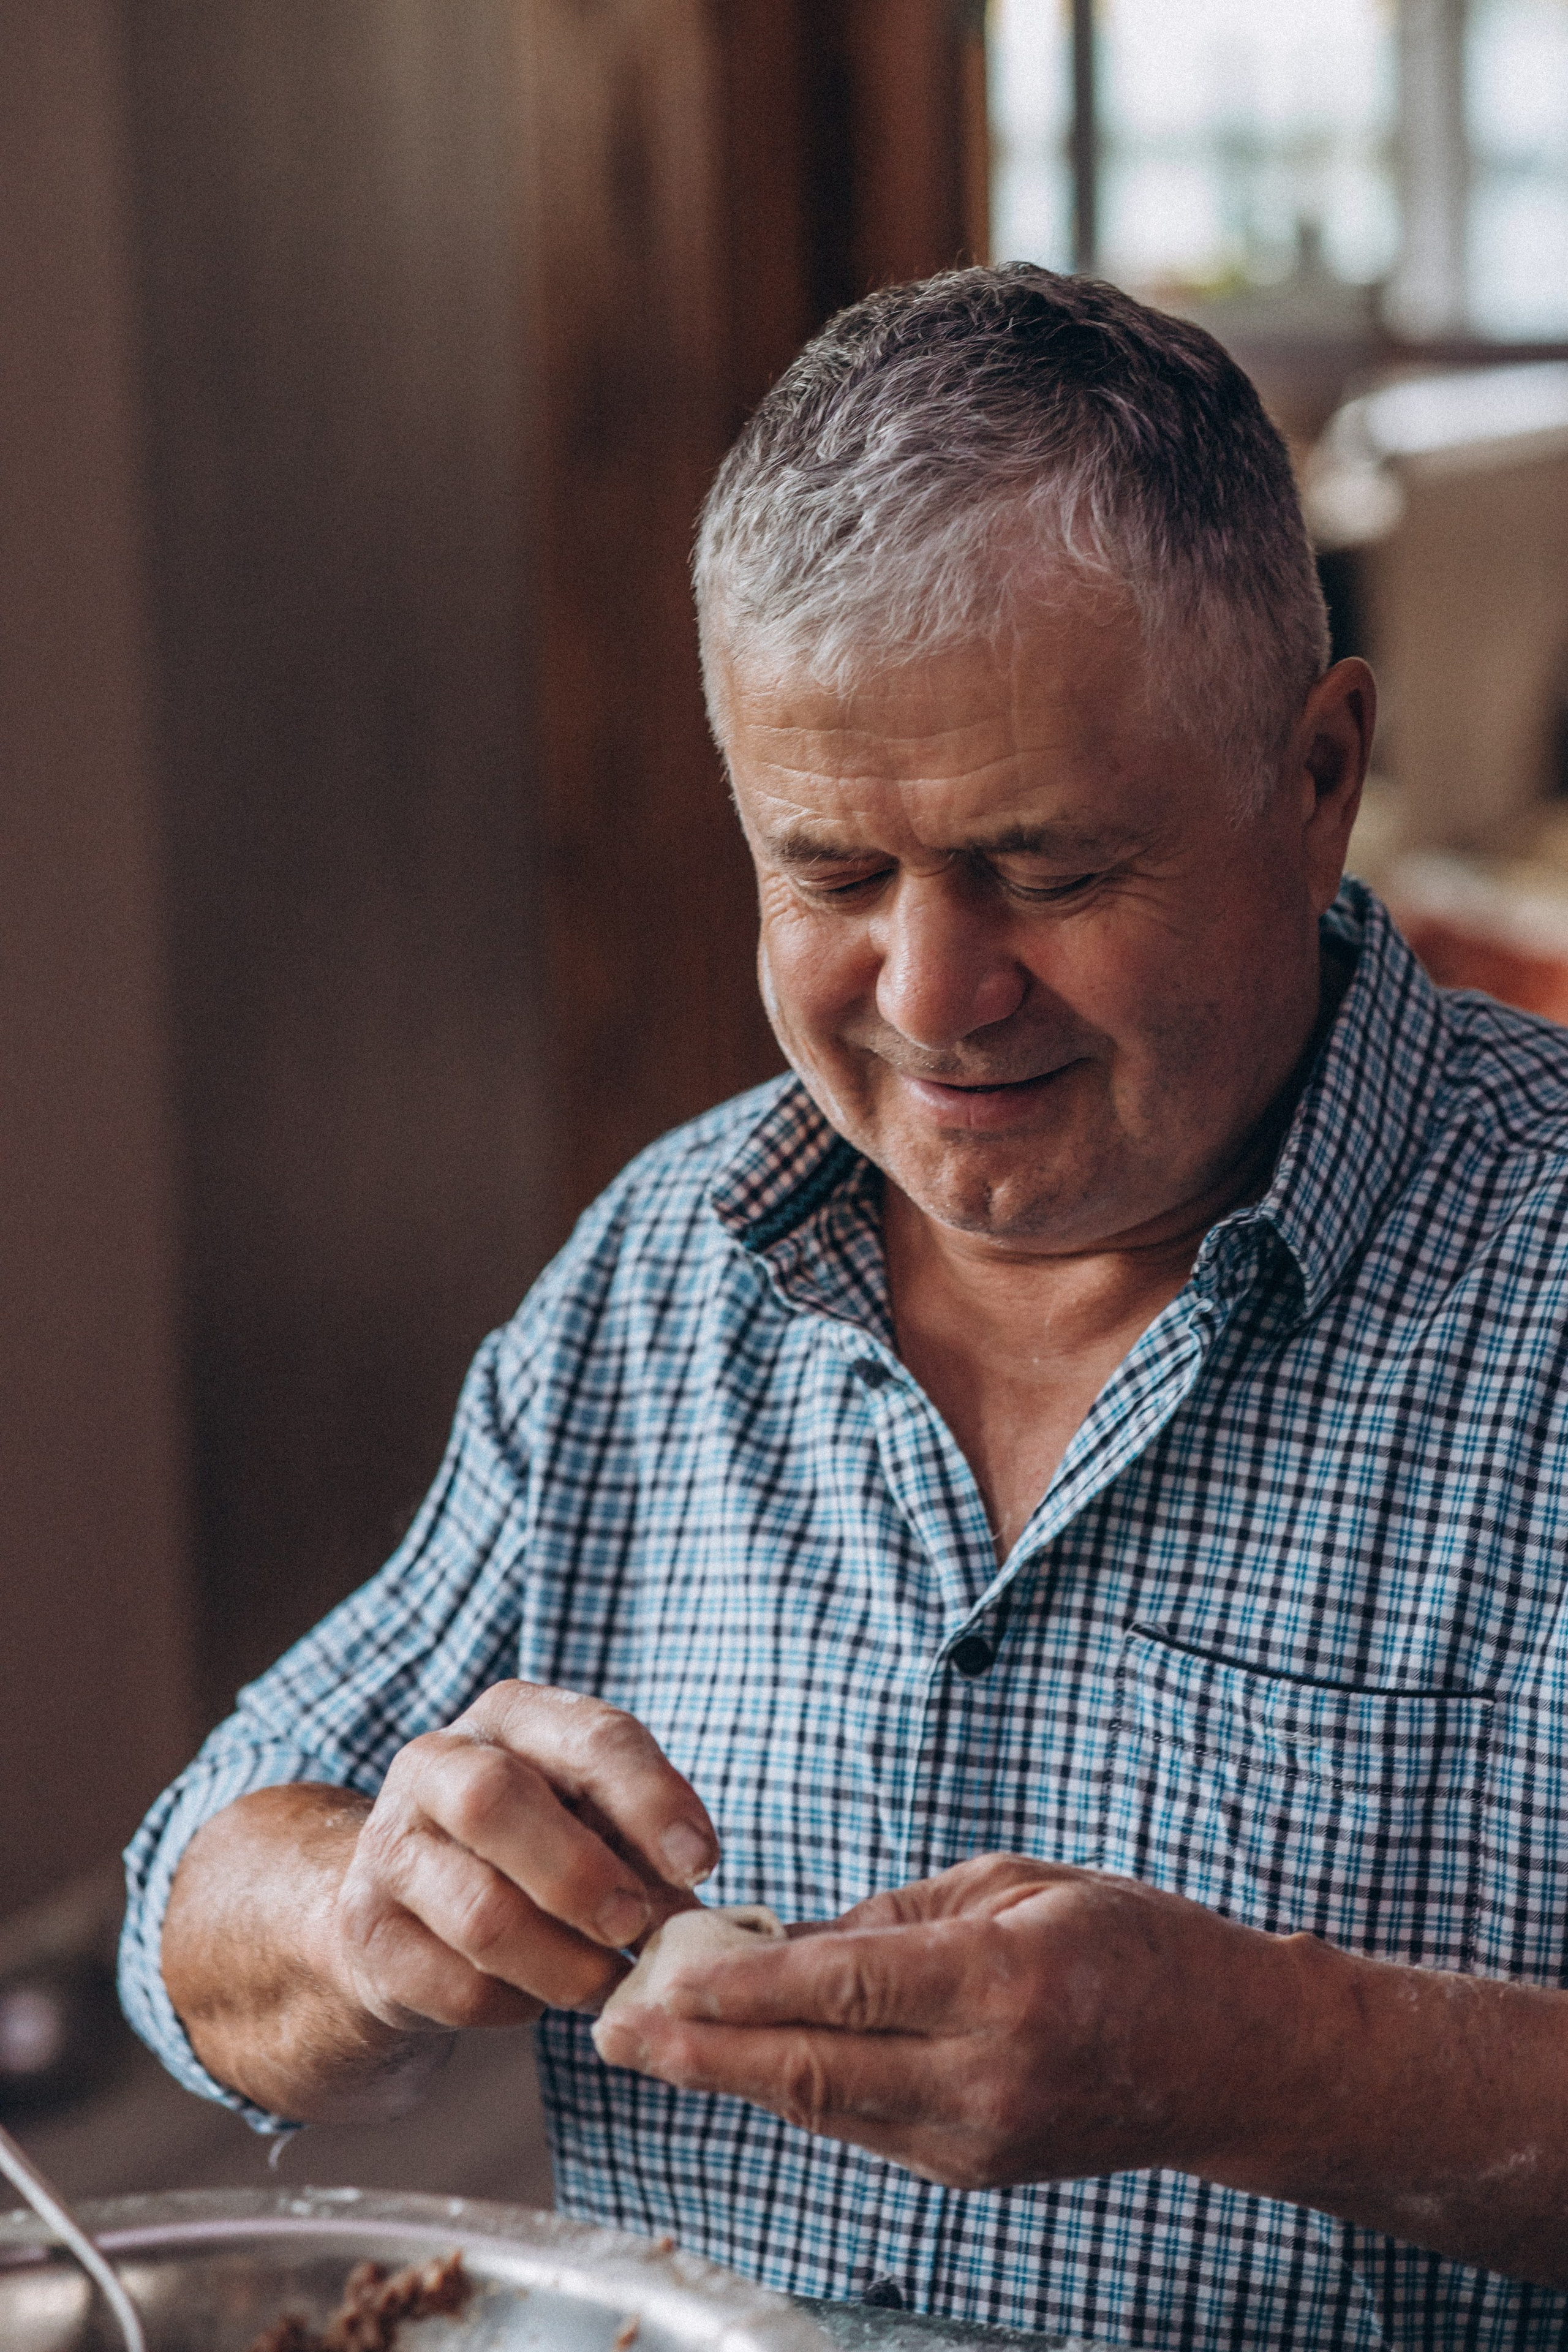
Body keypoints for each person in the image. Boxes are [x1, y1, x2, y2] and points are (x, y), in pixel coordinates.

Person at [121, 268, 1568, 2348]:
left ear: (1320, 773)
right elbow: (191, 1915)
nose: (928, 1001)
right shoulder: (659, 1274)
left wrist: (1282, 2061)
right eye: (830, 875)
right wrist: (369, 1905)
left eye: (1049, 871)